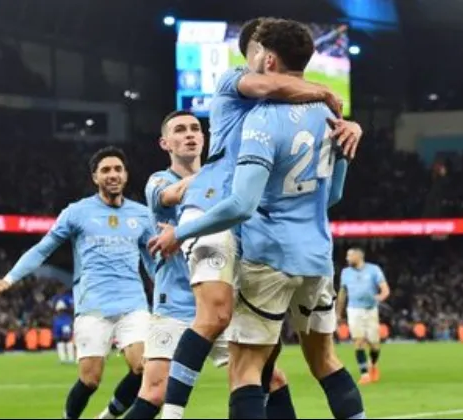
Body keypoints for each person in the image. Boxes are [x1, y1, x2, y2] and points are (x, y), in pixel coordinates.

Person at [150, 18, 365, 420]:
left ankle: (172, 412)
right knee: (325, 361)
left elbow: (242, 205)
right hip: (317, 255)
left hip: (267, 250)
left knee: (246, 368)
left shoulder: (262, 119)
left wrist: (180, 232)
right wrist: (333, 103)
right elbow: (333, 195)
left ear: (266, 58)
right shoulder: (330, 117)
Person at [125, 110, 296, 419]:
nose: (189, 134)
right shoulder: (159, 181)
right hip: (177, 303)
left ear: (204, 139)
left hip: (221, 302)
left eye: (194, 128)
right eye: (180, 130)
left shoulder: (227, 185)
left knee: (271, 380)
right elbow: (174, 193)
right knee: (155, 391)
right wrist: (226, 168)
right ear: (165, 143)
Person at [0, 146, 155, 420]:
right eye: (105, 170)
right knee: (90, 379)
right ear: (95, 177)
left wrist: (166, 293)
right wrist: (9, 279)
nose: (112, 174)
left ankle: (107, 417)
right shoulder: (77, 212)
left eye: (118, 169)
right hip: (93, 306)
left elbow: (151, 261)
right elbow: (43, 249)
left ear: (126, 175)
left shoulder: (142, 215)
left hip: (133, 304)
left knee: (144, 367)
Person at [336, 247, 390, 384]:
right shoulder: (345, 272)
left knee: (374, 344)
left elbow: (385, 289)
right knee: (358, 341)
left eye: (349, 256)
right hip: (354, 310)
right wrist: (338, 312)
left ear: (358, 256)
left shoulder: (373, 269)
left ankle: (373, 365)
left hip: (370, 310)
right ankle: (364, 374)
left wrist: (380, 297)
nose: (347, 258)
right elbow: (342, 292)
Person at [52, 288, 76, 364]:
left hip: (66, 320)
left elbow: (72, 308)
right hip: (60, 320)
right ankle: (63, 358)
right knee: (60, 340)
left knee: (67, 339)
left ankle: (70, 358)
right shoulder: (56, 298)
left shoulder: (67, 297)